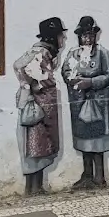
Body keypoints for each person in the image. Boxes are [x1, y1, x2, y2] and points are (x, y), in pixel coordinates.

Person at [13, 17, 67, 195]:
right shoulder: (41, 53)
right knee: (37, 146)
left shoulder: (43, 52)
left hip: (40, 106)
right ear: (53, 37)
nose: (63, 40)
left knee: (39, 146)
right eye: (61, 36)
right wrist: (36, 85)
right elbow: (25, 70)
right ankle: (34, 187)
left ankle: (35, 186)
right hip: (38, 108)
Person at [61, 16, 109, 190]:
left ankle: (99, 176)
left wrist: (91, 83)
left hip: (97, 104)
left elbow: (108, 75)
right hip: (79, 103)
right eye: (84, 35)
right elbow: (66, 72)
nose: (87, 39)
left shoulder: (103, 54)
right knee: (84, 139)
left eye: (91, 35)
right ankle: (86, 174)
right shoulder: (73, 54)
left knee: (97, 139)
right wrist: (75, 81)